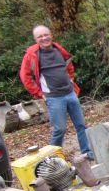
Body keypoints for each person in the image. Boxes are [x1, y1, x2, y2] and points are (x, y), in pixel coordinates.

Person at [19, 25, 93, 159]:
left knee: (81, 125)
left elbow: (69, 63)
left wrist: (71, 80)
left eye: (46, 35)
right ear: (36, 39)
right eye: (40, 36)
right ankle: (53, 159)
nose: (44, 38)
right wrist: (39, 93)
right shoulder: (32, 55)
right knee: (59, 129)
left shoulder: (59, 49)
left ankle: (87, 152)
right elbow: (25, 77)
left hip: (70, 94)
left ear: (51, 35)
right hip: (53, 98)